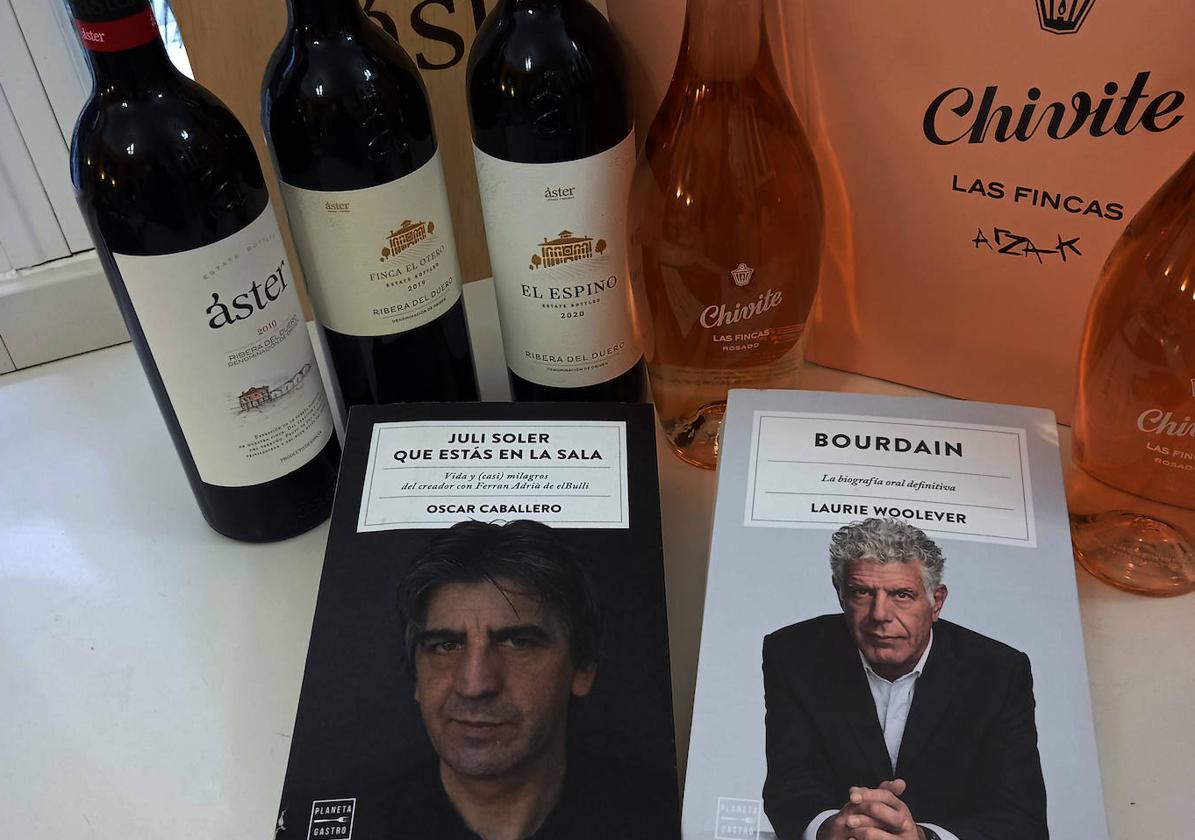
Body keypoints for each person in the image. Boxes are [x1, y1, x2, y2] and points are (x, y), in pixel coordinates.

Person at [761, 518, 1048, 840]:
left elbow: (1022, 821)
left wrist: (924, 838)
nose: (880, 614)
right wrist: (828, 828)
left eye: (901, 594)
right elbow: (791, 784)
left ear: (936, 602)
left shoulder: (999, 672)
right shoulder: (792, 654)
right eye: (861, 592)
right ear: (840, 594)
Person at [392, 519, 678, 840]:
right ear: (416, 676)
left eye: (517, 643)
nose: (475, 685)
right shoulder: (364, 825)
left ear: (582, 667)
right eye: (446, 646)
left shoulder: (669, 819)